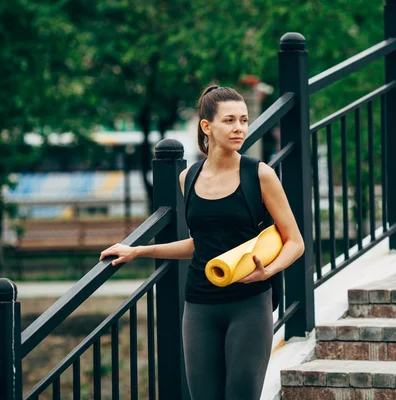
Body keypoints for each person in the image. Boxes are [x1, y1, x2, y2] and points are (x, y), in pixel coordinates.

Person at [99, 85, 305, 400]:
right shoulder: (189, 178)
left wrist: (269, 271)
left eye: (244, 120)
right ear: (206, 126)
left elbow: (294, 241)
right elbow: (201, 244)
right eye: (230, 120)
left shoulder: (259, 174)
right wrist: (139, 250)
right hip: (199, 304)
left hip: (249, 302)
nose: (239, 128)